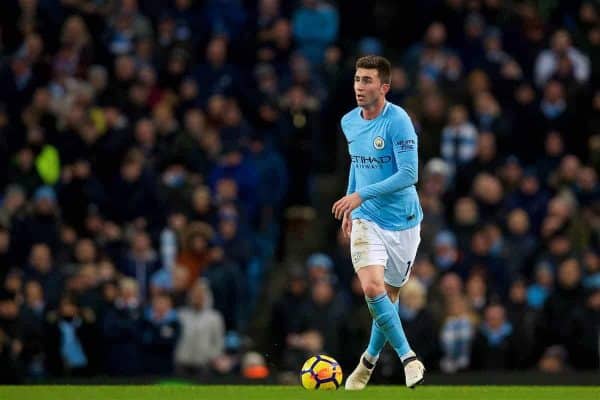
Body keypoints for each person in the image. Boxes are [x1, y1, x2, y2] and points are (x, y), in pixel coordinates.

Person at [331, 55, 424, 390]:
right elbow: (358, 164)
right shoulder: (349, 122)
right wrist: (353, 203)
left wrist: (359, 195)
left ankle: (367, 361)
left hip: (404, 221)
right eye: (357, 79)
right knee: (371, 288)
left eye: (368, 80)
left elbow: (410, 174)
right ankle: (408, 357)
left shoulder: (398, 121)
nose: (360, 86)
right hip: (368, 218)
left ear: (384, 87)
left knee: (388, 297)